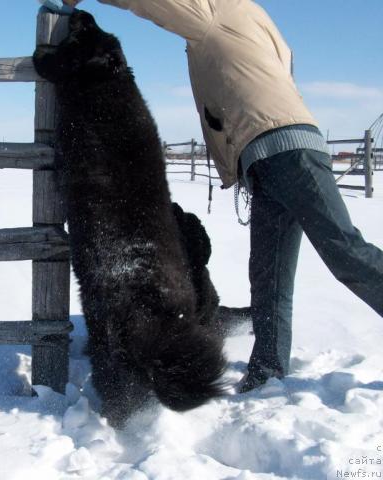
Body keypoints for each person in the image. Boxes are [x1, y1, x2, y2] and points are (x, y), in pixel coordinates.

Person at [58, 0, 383, 392]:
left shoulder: (216, 10)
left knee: (344, 251)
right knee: (269, 277)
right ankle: (266, 371)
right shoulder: (260, 22)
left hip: (289, 153)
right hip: (265, 159)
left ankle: (268, 366)